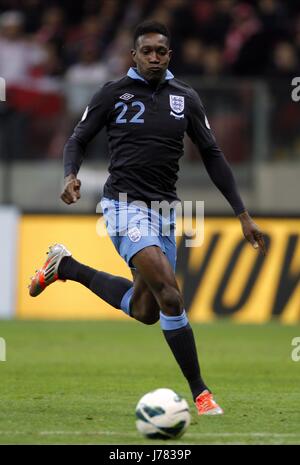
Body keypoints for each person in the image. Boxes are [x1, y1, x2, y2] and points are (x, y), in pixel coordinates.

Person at [29, 20, 266, 416]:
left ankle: (65, 266)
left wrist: (242, 214)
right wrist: (70, 174)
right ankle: (202, 394)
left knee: (146, 310)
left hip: (165, 211)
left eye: (161, 51)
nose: (154, 57)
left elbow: (212, 155)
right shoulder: (113, 93)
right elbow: (78, 137)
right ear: (133, 55)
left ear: (169, 55)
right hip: (122, 206)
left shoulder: (185, 97)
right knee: (171, 297)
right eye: (147, 51)